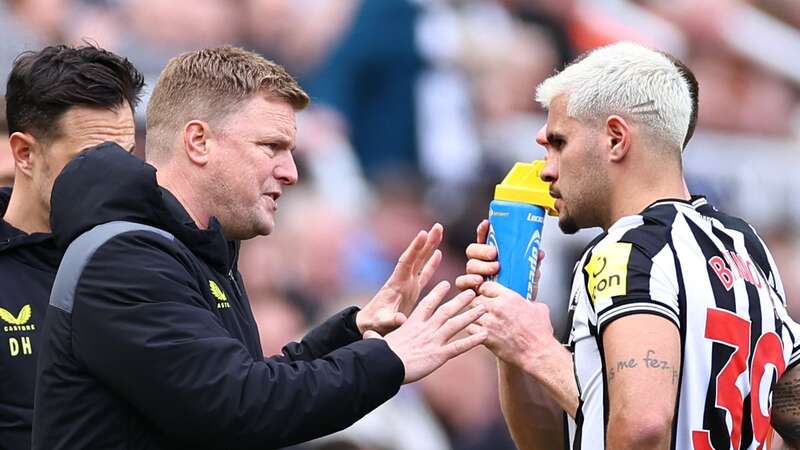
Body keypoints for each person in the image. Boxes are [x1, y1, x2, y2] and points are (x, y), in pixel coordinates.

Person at [33, 46, 487, 450]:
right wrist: (390, 361)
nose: (290, 171)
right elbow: (235, 408)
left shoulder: (196, 253)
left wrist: (353, 331)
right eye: (271, 146)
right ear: (198, 141)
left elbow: (246, 384)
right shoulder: (124, 257)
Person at [456, 41, 800, 449]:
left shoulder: (627, 250)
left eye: (559, 143)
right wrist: (512, 342)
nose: (547, 170)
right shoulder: (746, 247)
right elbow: (556, 441)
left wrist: (537, 348)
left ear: (616, 139)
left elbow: (641, 426)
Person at [0, 44, 144, 449]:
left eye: (127, 157)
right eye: (92, 158)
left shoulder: (153, 260)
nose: (118, 178)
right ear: (25, 153)